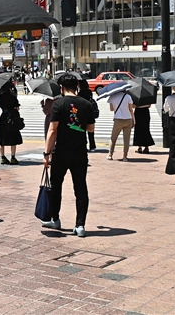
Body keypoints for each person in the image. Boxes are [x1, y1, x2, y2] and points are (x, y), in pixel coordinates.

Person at [42, 74, 96, 237]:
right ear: (77, 87)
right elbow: (91, 129)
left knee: (56, 186)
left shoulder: (58, 104)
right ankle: (80, 225)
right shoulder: (86, 104)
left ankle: (55, 219)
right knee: (80, 188)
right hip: (80, 152)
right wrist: (77, 126)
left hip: (61, 152)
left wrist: (46, 153)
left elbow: (52, 130)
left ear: (62, 87)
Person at [0, 81, 22, 165]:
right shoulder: (12, 97)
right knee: (13, 138)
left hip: (3, 118)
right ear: (9, 88)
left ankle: (3, 157)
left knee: (1, 139)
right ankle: (13, 157)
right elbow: (17, 108)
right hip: (12, 118)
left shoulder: (0, 97)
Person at [107, 89, 135, 161]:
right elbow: (131, 110)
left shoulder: (112, 97)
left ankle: (110, 155)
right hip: (128, 118)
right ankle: (125, 157)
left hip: (118, 119)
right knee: (126, 139)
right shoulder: (128, 97)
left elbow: (111, 109)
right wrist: (133, 120)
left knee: (113, 138)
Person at [77, 80, 97, 152]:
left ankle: (84, 145)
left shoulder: (80, 93)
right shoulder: (89, 91)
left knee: (82, 130)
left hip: (83, 113)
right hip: (90, 111)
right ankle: (92, 146)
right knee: (91, 130)